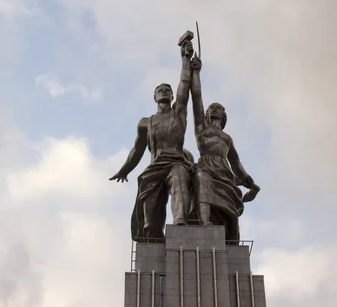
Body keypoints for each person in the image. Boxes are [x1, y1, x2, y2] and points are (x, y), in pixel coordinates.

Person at [109, 41, 195, 242]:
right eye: (160, 90)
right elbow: (137, 151)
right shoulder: (145, 123)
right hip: (154, 167)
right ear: (154, 96)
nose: (164, 91)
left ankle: (180, 220)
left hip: (176, 162)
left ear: (173, 96)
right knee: (150, 225)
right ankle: (154, 238)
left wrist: (185, 59)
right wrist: (124, 170)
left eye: (168, 90)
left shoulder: (179, 113)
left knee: (180, 178)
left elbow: (184, 84)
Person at [188, 56, 261, 242]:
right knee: (202, 181)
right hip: (205, 167)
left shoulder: (227, 138)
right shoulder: (201, 128)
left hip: (225, 174)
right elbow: (196, 97)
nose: (213, 109)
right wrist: (195, 72)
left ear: (223, 115)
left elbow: (236, 164)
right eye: (211, 108)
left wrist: (251, 183)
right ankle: (204, 222)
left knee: (231, 214)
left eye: (217, 108)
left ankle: (231, 241)